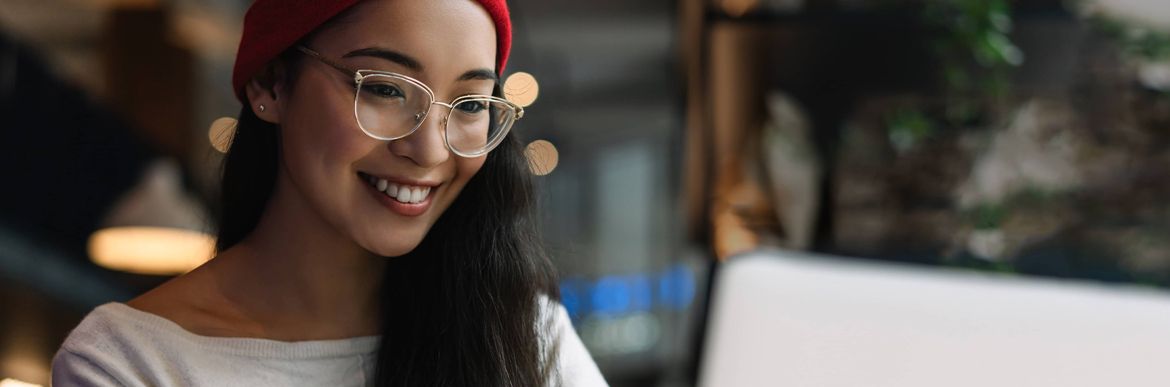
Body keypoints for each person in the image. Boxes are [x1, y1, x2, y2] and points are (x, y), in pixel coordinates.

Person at [51, 0, 608, 385]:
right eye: (386, 89)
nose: (431, 151)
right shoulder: (132, 362)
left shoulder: (523, 332)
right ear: (271, 82)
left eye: (468, 106)